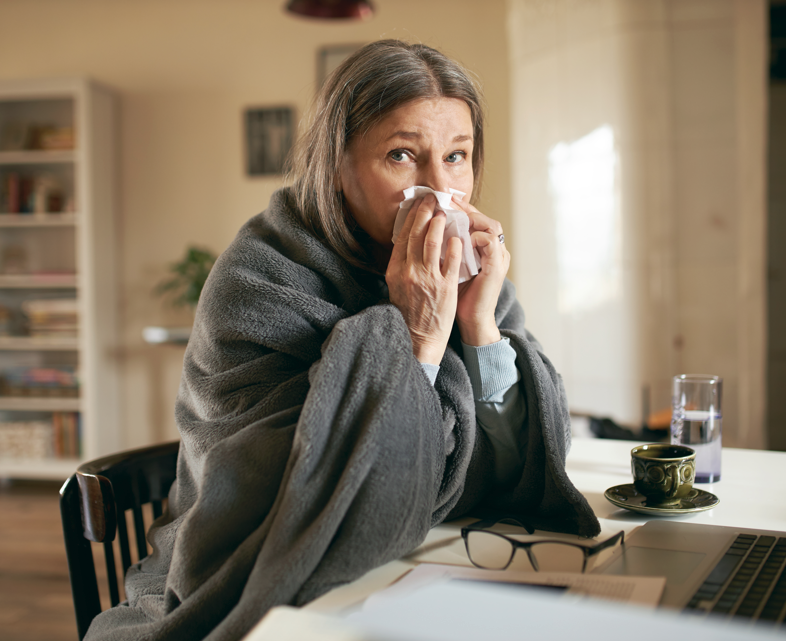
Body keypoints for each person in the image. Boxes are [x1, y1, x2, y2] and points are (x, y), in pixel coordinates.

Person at [85, 40, 598, 641]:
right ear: (335, 164)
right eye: (402, 155)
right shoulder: (258, 280)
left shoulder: (467, 273)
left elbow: (520, 471)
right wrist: (418, 334)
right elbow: (308, 507)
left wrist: (482, 331)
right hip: (267, 579)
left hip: (425, 567)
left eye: (457, 157)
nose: (439, 191)